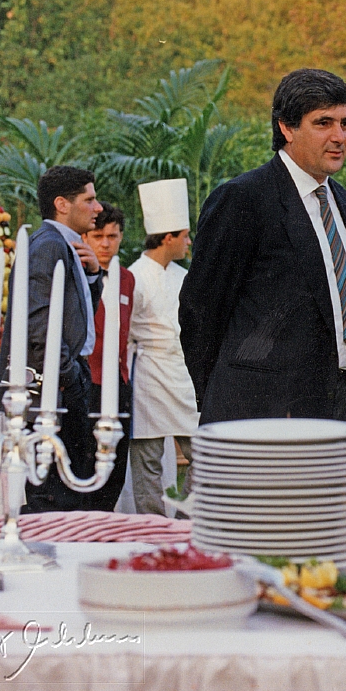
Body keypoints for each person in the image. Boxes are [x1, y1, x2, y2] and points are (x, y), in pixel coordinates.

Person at [178, 69, 346, 454]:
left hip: (337, 409)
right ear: (286, 127)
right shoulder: (243, 199)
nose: (339, 136)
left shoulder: (341, 201)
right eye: (323, 123)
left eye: (345, 123)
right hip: (262, 419)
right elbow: (200, 313)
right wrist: (232, 399)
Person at [0, 165, 103, 512]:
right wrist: (68, 374)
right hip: (53, 382)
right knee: (56, 490)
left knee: (71, 482)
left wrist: (91, 277)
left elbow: (74, 314)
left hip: (65, 374)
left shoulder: (63, 244)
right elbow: (38, 320)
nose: (98, 208)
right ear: (62, 204)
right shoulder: (47, 246)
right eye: (89, 199)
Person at [130, 179, 201, 515]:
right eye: (184, 235)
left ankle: (188, 521)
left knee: (205, 457)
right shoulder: (134, 277)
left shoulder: (181, 276)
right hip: (147, 375)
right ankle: (151, 528)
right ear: (168, 237)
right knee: (148, 461)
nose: (188, 242)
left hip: (181, 374)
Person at [82, 202, 135, 510]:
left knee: (117, 461)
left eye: (112, 236)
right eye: (98, 236)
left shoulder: (127, 279)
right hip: (89, 381)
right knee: (89, 460)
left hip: (120, 381)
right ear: (86, 237)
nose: (105, 243)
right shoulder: (77, 274)